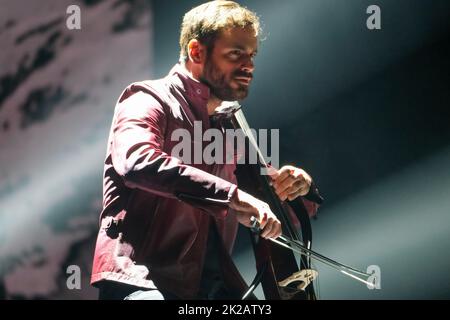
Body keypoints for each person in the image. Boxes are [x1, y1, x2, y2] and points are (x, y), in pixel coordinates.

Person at [91, 0, 319, 300]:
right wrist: (232, 197)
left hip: (213, 285)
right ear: (197, 51)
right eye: (236, 53)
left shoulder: (229, 127)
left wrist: (297, 188)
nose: (248, 65)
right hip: (144, 280)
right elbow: (137, 162)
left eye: (251, 55)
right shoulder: (147, 98)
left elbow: (275, 209)